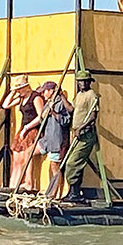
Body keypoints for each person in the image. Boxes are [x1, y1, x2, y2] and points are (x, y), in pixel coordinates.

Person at [60, 70, 100, 203]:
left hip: (85, 134)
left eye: (85, 81)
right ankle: (73, 191)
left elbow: (93, 117)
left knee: (72, 163)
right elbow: (72, 110)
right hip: (77, 134)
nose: (82, 83)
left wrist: (81, 128)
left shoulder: (91, 95)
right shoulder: (79, 95)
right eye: (80, 81)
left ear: (89, 82)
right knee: (72, 163)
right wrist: (62, 97)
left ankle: (75, 193)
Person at [1, 75, 45, 192]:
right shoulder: (21, 98)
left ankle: (28, 182)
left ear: (26, 87)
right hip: (23, 129)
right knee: (16, 158)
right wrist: (13, 92)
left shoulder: (35, 97)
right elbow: (5, 105)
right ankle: (13, 185)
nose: (19, 91)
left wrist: (27, 128)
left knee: (26, 156)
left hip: (32, 128)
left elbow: (41, 116)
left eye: (20, 89)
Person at [38, 82, 73, 198]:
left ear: (51, 91)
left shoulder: (61, 104)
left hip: (57, 141)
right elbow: (42, 118)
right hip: (47, 139)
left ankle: (54, 194)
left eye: (45, 91)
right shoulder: (48, 103)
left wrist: (53, 112)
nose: (43, 94)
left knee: (55, 166)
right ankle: (31, 186)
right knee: (29, 153)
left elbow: (65, 121)